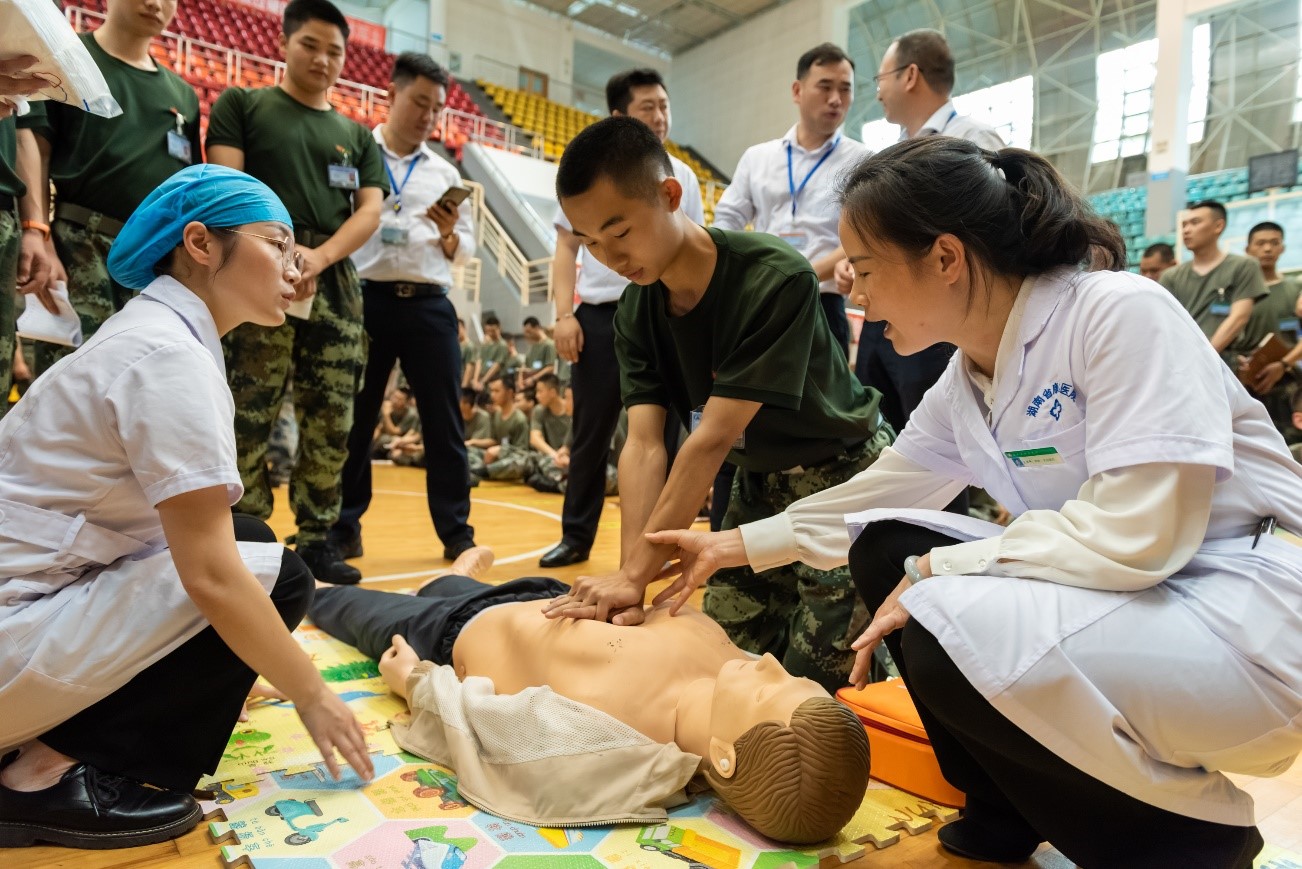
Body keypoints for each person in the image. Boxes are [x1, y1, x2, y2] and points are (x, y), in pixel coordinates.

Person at [632, 138, 1300, 869]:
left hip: (1246, 615)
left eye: (866, 266)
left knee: (939, 615)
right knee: (883, 542)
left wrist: (941, 572)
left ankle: (1195, 846)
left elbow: (1137, 532)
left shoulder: (1118, 311)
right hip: (1144, 598)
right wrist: (728, 546)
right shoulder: (964, 382)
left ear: (946, 257)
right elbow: (875, 496)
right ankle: (1004, 805)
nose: (853, 290)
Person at [0, 165, 373, 851]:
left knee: (249, 536)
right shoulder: (167, 355)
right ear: (200, 244)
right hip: (10, 636)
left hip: (24, 603)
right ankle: (39, 776)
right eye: (276, 241)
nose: (295, 264)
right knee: (275, 575)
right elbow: (210, 576)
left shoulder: (159, 333)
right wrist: (311, 693)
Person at [545, 118, 892, 693]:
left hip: (843, 481)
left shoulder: (774, 277)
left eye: (620, 232)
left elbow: (707, 441)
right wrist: (634, 572)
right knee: (716, 662)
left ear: (670, 195)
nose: (608, 257)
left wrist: (636, 574)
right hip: (756, 484)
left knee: (812, 690)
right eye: (589, 244)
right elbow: (644, 444)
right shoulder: (636, 312)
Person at [307, 545, 869, 845]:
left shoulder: (610, 744)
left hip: (457, 630)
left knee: (335, 602)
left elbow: (484, 729)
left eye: (774, 686)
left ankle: (345, 588)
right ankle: (457, 574)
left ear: (726, 753)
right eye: (793, 676)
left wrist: (413, 682)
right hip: (554, 597)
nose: (770, 663)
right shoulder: (734, 675)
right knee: (455, 585)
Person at [206, 0, 388, 585]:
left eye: (335, 50)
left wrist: (319, 256)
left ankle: (316, 538)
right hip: (257, 270)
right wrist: (280, 252)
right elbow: (226, 188)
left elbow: (370, 210)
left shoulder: (356, 136)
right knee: (247, 412)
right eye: (311, 44)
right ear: (286, 43)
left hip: (331, 284)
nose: (324, 59)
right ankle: (246, 527)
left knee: (331, 416)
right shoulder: (243, 106)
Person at [541, 67, 705, 569]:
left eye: (663, 104)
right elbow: (565, 249)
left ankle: (663, 540)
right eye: (646, 107)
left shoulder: (684, 176)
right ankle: (576, 536)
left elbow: (693, 248)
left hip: (663, 312)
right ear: (619, 116)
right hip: (599, 316)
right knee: (591, 432)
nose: (659, 115)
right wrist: (563, 315)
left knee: (673, 431)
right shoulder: (589, 178)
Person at [332, 53, 477, 565]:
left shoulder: (443, 172)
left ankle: (457, 533)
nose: (426, 116)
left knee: (444, 423)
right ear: (391, 96)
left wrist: (448, 232)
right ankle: (345, 526)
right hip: (366, 298)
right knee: (357, 417)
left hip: (429, 306)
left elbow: (467, 250)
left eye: (436, 108)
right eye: (419, 102)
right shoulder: (353, 152)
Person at [16, 0, 202, 375]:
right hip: (79, 247)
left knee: (139, 388)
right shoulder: (65, 59)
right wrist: (38, 232)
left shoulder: (183, 96)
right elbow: (34, 143)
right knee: (68, 384)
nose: (156, 4)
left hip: (154, 262)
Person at [858, 28, 1007, 440]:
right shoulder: (891, 153)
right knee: (879, 429)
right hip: (886, 308)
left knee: (940, 442)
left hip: (936, 307)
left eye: (880, 79)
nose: (877, 93)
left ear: (909, 76)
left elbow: (992, 235)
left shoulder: (973, 139)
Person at [712, 43, 867, 356]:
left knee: (823, 404)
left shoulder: (862, 161)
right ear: (797, 91)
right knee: (759, 400)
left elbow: (866, 234)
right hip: (762, 301)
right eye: (825, 87)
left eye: (845, 89)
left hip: (823, 302)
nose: (836, 99)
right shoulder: (758, 158)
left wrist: (803, 275)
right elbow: (726, 223)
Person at [1159, 200, 1269, 367]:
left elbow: (1239, 317)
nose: (1187, 230)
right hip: (1181, 359)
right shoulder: (1171, 276)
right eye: (1184, 225)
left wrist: (1205, 356)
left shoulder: (1244, 266)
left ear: (1218, 226)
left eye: (1195, 223)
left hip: (1222, 360)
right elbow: (1166, 322)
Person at [1242, 221, 1302, 442]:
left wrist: (1284, 364)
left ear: (1282, 249)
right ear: (1248, 249)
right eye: (1261, 243)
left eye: (1274, 243)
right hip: (1245, 383)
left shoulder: (1296, 289)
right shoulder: (1238, 293)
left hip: (1286, 384)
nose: (1267, 249)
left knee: (1290, 445)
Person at [466, 376, 528, 477]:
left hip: (510, 459)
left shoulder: (519, 419)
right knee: (468, 450)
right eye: (492, 391)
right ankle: (481, 470)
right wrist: (472, 442)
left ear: (510, 393)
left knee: (519, 462)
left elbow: (521, 452)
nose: (492, 395)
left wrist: (500, 450)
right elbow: (494, 440)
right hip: (495, 457)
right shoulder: (497, 414)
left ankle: (481, 471)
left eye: (497, 391)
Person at [517, 315, 556, 390]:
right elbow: (525, 364)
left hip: (543, 385)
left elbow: (550, 367)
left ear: (537, 328)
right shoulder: (532, 346)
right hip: (529, 384)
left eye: (529, 332)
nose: (527, 335)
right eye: (526, 332)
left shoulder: (549, 345)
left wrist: (533, 378)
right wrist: (520, 378)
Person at [475, 314, 508, 387]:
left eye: (492, 331)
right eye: (488, 331)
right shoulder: (485, 344)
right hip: (481, 380)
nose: (490, 333)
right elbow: (479, 360)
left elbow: (497, 365)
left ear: (499, 328)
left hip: (494, 381)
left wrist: (483, 381)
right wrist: (475, 379)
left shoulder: (502, 345)